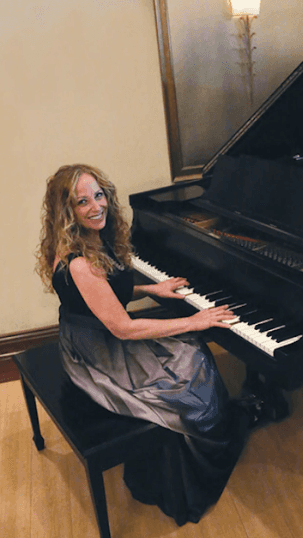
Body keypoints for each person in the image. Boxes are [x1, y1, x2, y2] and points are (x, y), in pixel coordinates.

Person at [35, 163, 265, 526]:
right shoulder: (78, 262)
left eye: (99, 195)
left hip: (93, 333)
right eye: (83, 201)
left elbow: (105, 293)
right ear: (68, 211)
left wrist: (152, 288)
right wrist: (195, 320)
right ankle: (199, 454)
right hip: (97, 351)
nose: (96, 206)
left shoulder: (87, 240)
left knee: (190, 351)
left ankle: (219, 418)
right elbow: (123, 327)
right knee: (190, 369)